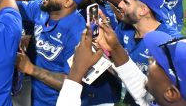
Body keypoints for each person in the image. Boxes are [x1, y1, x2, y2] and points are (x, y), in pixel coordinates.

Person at [57, 25, 186, 106]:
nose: (151, 59)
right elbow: (141, 91)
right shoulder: (168, 99)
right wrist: (114, 48)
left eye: (158, 62)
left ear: (171, 93)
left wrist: (76, 71)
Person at [15, 0, 86, 105]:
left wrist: (31, 69)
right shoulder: (42, 9)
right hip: (34, 95)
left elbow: (73, 83)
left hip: (57, 101)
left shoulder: (77, 33)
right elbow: (11, 6)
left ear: (68, 2)